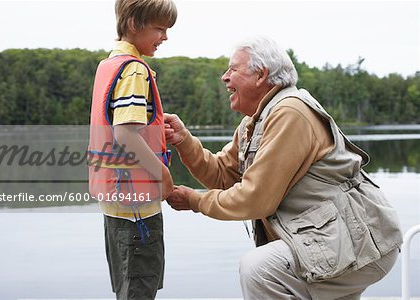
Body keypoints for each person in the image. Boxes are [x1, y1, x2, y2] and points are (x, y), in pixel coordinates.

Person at [165, 37, 403, 300]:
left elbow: (255, 199)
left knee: (259, 269)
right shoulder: (252, 122)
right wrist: (184, 141)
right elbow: (224, 176)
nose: (224, 77)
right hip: (331, 244)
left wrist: (194, 200)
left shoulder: (290, 112)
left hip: (357, 244)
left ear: (261, 75)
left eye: (233, 69)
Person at [88, 0, 177, 299]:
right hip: (137, 210)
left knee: (127, 289)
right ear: (134, 25)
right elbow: (125, 133)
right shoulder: (134, 71)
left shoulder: (109, 66)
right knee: (139, 290)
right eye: (160, 29)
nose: (165, 37)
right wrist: (163, 173)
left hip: (116, 206)